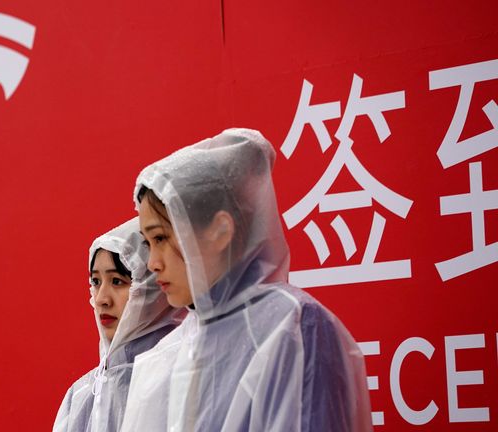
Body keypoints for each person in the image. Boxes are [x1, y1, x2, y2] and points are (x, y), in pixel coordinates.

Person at [120, 128, 372, 431]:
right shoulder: (163, 356)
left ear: (220, 231)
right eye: (148, 243)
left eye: (161, 238)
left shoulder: (293, 326)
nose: (153, 264)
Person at [53, 218, 185, 432]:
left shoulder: (183, 376)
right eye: (95, 282)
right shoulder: (81, 397)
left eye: (117, 281)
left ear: (152, 288)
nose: (101, 299)